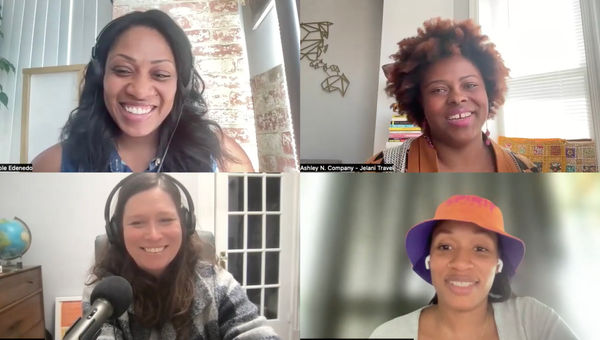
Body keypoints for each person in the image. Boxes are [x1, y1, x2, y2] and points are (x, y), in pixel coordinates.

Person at [32, 10, 253, 172]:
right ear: (100, 77)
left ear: (181, 84)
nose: (139, 91)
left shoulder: (225, 161)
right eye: (122, 70)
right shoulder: (50, 167)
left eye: (160, 75)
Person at [84, 173, 278, 339]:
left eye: (166, 220)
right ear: (117, 232)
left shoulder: (219, 285)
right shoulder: (103, 292)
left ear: (185, 225)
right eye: (137, 223)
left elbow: (254, 332)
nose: (153, 235)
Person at [370, 195, 577, 339]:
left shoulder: (531, 320)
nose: (460, 262)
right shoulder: (389, 334)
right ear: (429, 259)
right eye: (445, 246)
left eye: (480, 248)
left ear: (498, 264)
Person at [367, 18, 537, 172]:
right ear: (420, 101)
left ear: (488, 90)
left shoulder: (525, 170)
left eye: (470, 85)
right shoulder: (378, 169)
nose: (457, 97)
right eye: (438, 89)